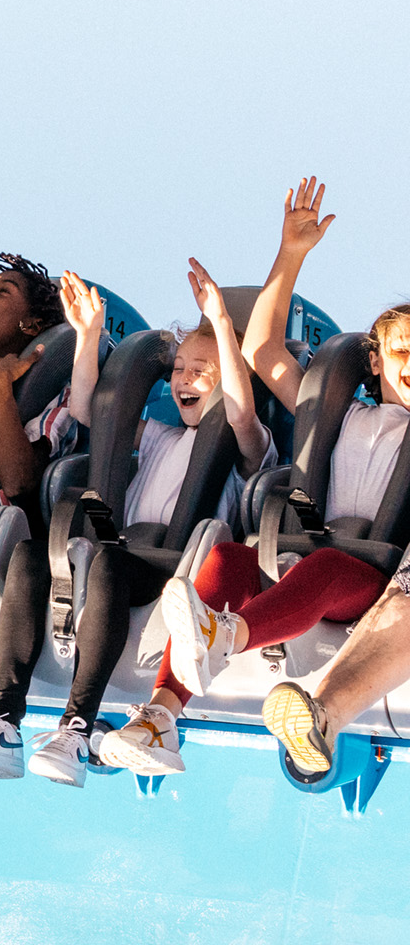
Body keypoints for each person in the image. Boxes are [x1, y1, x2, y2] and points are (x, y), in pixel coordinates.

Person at [102, 177, 410, 776]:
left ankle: (231, 637)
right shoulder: (340, 414)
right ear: (373, 361)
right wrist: (290, 253)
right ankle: (160, 718)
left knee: (322, 569)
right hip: (298, 552)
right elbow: (266, 348)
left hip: (364, 580)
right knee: (226, 562)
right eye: (403, 351)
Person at [0, 263, 273, 786]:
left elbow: (239, 412)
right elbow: (90, 412)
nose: (183, 380)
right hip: (112, 555)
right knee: (30, 554)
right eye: (179, 368)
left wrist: (222, 326)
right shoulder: (161, 435)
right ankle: (4, 720)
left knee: (111, 566)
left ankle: (76, 728)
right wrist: (89, 335)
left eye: (200, 370)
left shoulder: (247, 448)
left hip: (174, 572)